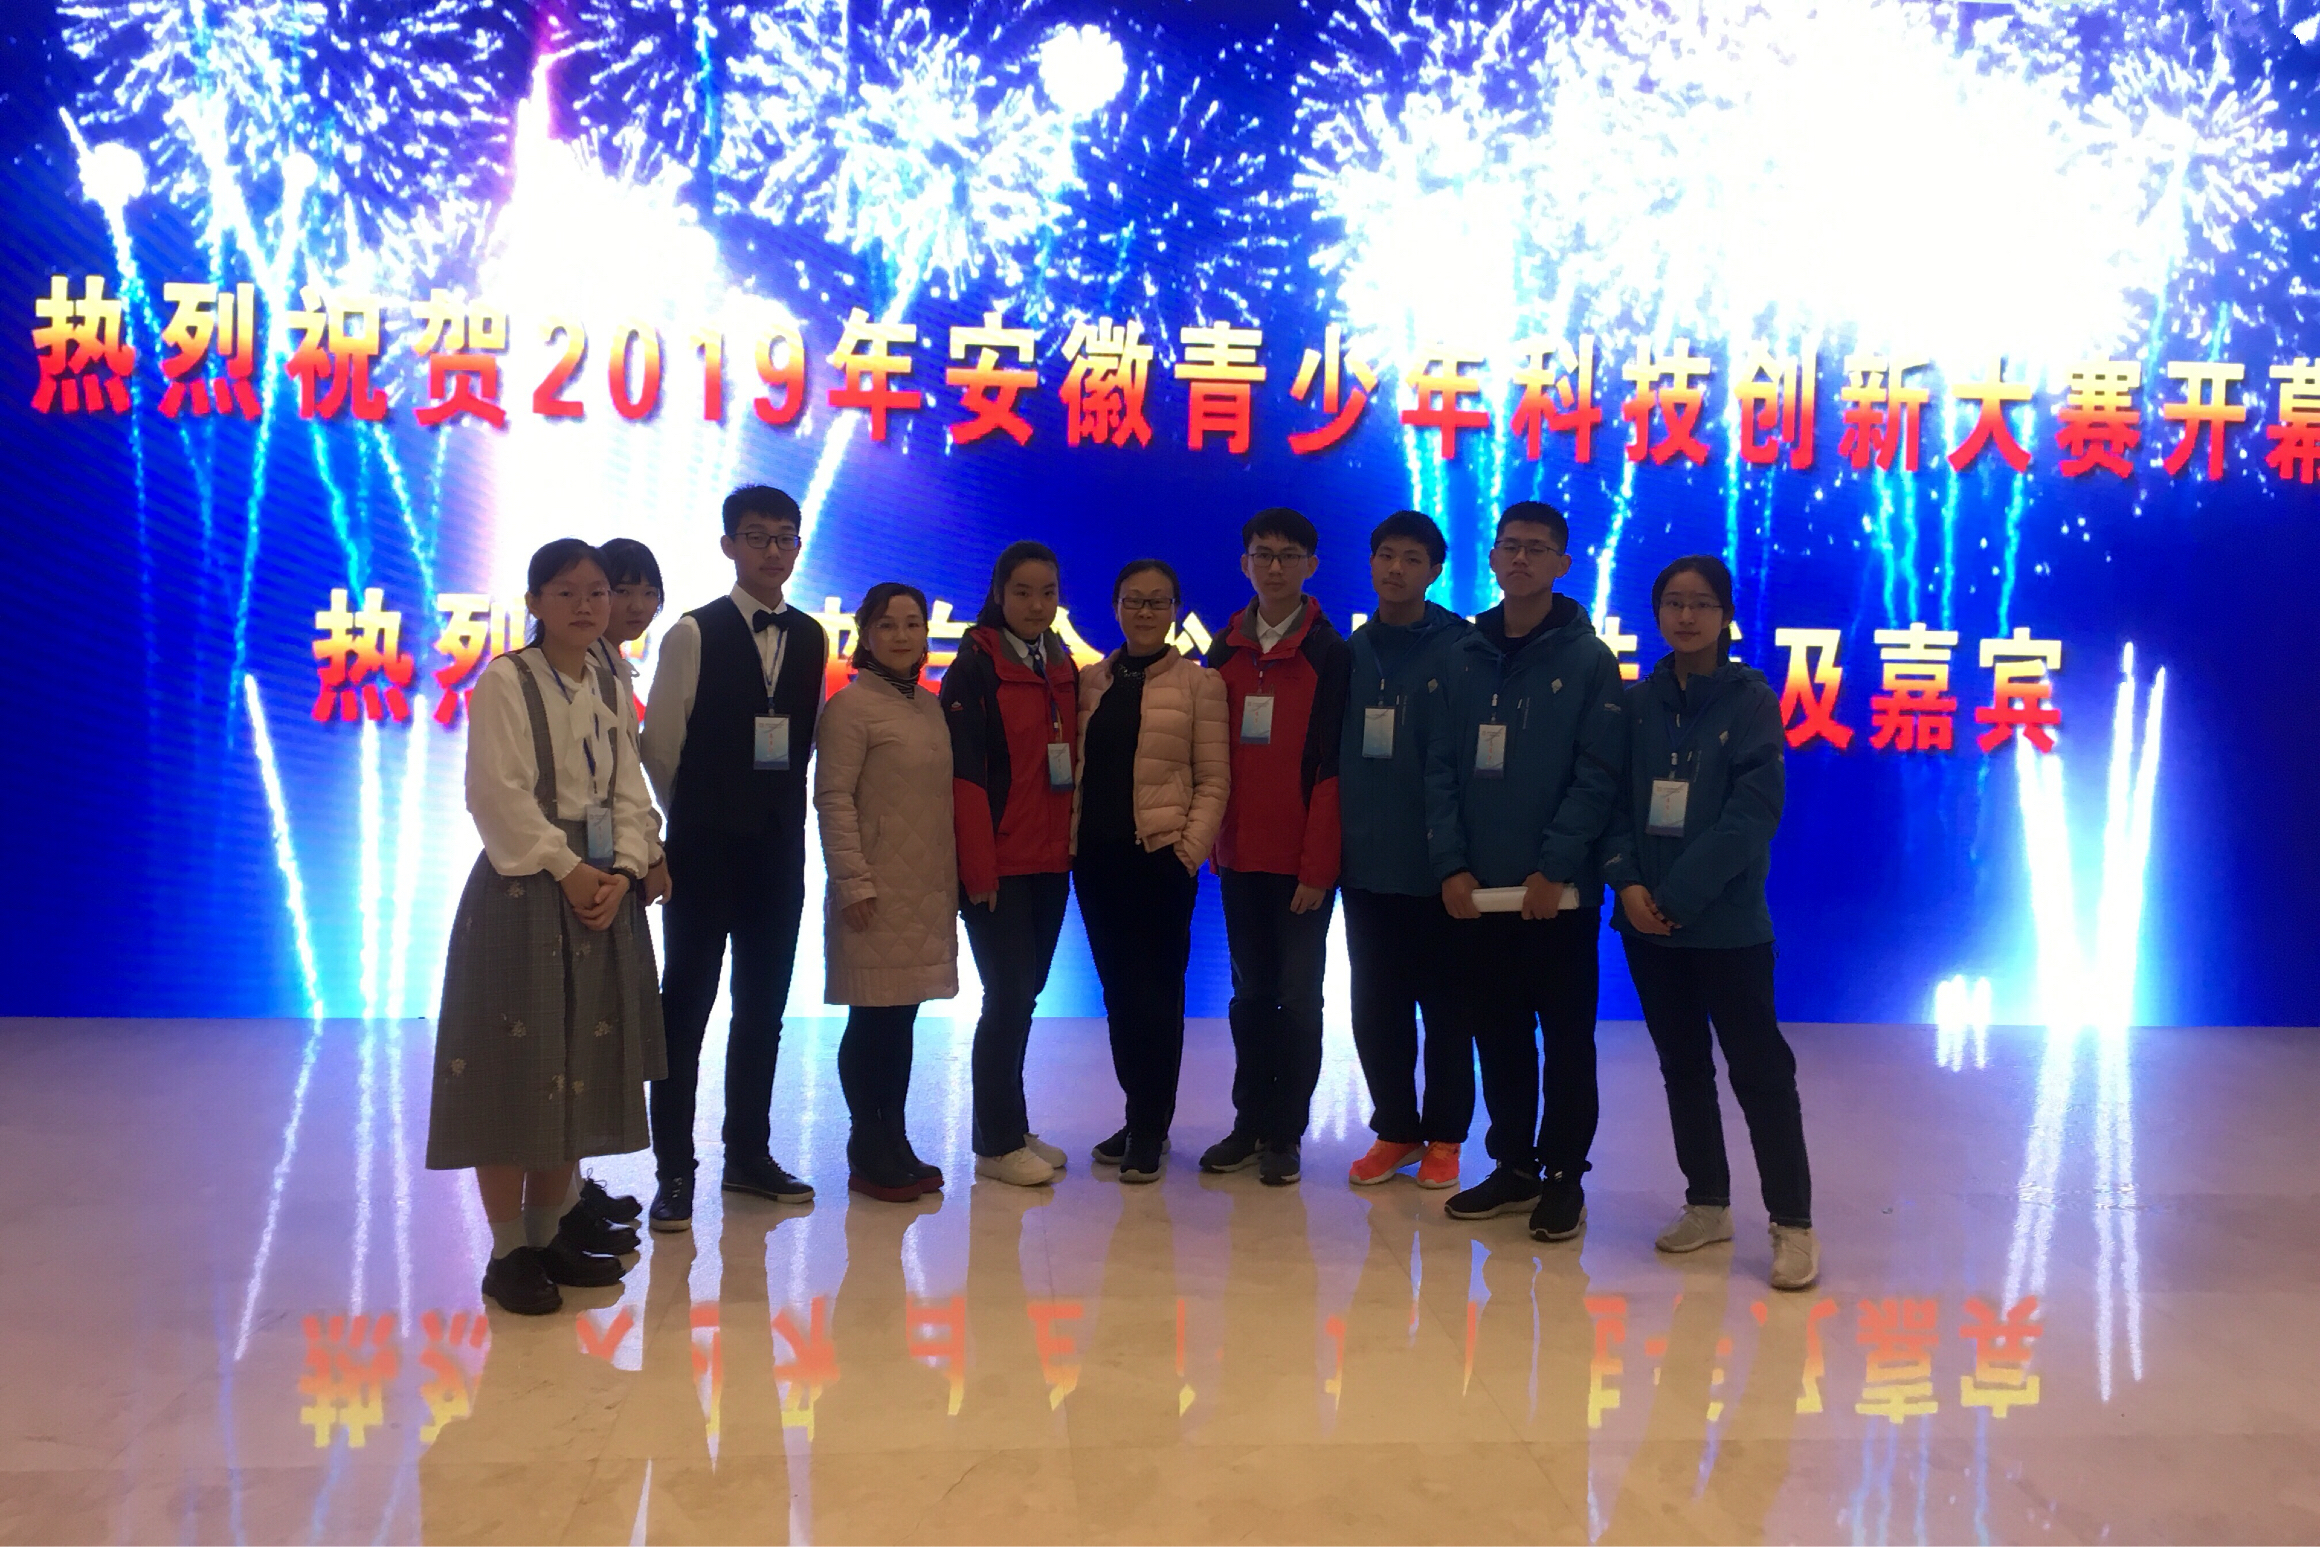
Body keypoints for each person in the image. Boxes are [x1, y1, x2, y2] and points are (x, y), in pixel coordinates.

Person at [427, 538, 666, 1315]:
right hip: (525, 893)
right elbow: (495, 795)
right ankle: (508, 1253)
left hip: (600, 888)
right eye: (566, 592)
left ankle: (550, 1229)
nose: (586, 605)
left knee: (578, 1062)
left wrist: (625, 868)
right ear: (534, 603)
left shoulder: (604, 675)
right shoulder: (507, 680)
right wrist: (569, 868)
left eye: (597, 591)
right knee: (513, 1073)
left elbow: (628, 789)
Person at [1601, 555, 1818, 1291]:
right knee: (1682, 1068)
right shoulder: (1636, 702)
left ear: (1725, 615)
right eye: (1673, 602)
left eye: (1700, 603)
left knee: (1760, 1073)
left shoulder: (1750, 701)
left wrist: (1678, 894)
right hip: (1647, 925)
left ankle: (1793, 1223)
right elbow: (1612, 802)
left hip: (1727, 925)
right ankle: (1707, 1203)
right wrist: (1629, 884)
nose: (1686, 616)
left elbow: (1752, 814)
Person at [1424, 500, 1625, 1242]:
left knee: (1567, 1040)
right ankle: (1513, 1165)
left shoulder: (1588, 660)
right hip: (1479, 894)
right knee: (1498, 1034)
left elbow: (1598, 774)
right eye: (1509, 546)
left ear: (1563, 564)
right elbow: (1439, 768)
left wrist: (1554, 867)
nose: (1520, 559)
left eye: (1537, 548)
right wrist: (1451, 866)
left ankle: (1565, 1175)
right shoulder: (1463, 653)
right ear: (1492, 558)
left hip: (1556, 895)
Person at [640, 486, 829, 1229]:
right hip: (703, 850)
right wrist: (697, 813)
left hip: (778, 852)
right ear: (728, 546)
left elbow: (802, 740)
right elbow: (660, 745)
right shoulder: (692, 632)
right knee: (684, 1008)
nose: (772, 551)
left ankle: (748, 1154)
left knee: (762, 1009)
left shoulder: (812, 636)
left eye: (785, 538)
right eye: (756, 537)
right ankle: (674, 1170)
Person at [1199, 507, 1351, 1187]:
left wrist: (1318, 867)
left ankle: (1285, 1133)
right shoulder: (1224, 650)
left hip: (1301, 866)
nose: (1275, 566)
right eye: (1263, 554)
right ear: (1245, 564)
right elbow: (1206, 756)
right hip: (1239, 857)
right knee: (1250, 996)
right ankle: (1249, 1122)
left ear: (1311, 566)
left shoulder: (1331, 653)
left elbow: (1334, 769)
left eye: (1290, 555)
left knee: (1299, 997)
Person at [1074, 559, 1229, 1183]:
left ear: (1174, 611)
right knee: (1117, 994)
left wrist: (1186, 853)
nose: (1144, 611)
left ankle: (1150, 1127)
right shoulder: (1092, 681)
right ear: (1115, 606)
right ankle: (1136, 1113)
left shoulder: (1199, 684)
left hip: (1160, 861)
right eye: (1133, 600)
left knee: (1157, 996)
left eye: (1157, 601)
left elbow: (1214, 779)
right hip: (1096, 860)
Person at [1337, 511, 1474, 1190]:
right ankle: (1396, 1128)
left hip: (1439, 867)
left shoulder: (1462, 648)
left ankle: (1445, 1135)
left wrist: (1459, 858)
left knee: (1447, 1011)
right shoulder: (1352, 650)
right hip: (1366, 865)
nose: (1395, 568)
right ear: (1370, 563)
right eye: (1385, 554)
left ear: (1435, 571)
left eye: (1412, 558)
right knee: (1376, 1007)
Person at [815, 583, 959, 1201]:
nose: (902, 635)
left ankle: (893, 1138)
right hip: (872, 889)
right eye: (887, 624)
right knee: (871, 1017)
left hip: (923, 887)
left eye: (913, 623)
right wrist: (852, 880)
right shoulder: (849, 708)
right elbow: (832, 799)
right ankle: (866, 1145)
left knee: (901, 1018)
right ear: (866, 635)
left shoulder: (927, 706)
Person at [942, 541, 1079, 1187]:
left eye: (1047, 592)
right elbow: (964, 779)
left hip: (1050, 861)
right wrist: (978, 870)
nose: (1036, 604)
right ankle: (995, 1145)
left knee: (1024, 996)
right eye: (1022, 591)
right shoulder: (974, 666)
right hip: (998, 864)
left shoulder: (1060, 662)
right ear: (999, 594)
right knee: (1007, 996)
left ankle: (1012, 1125)